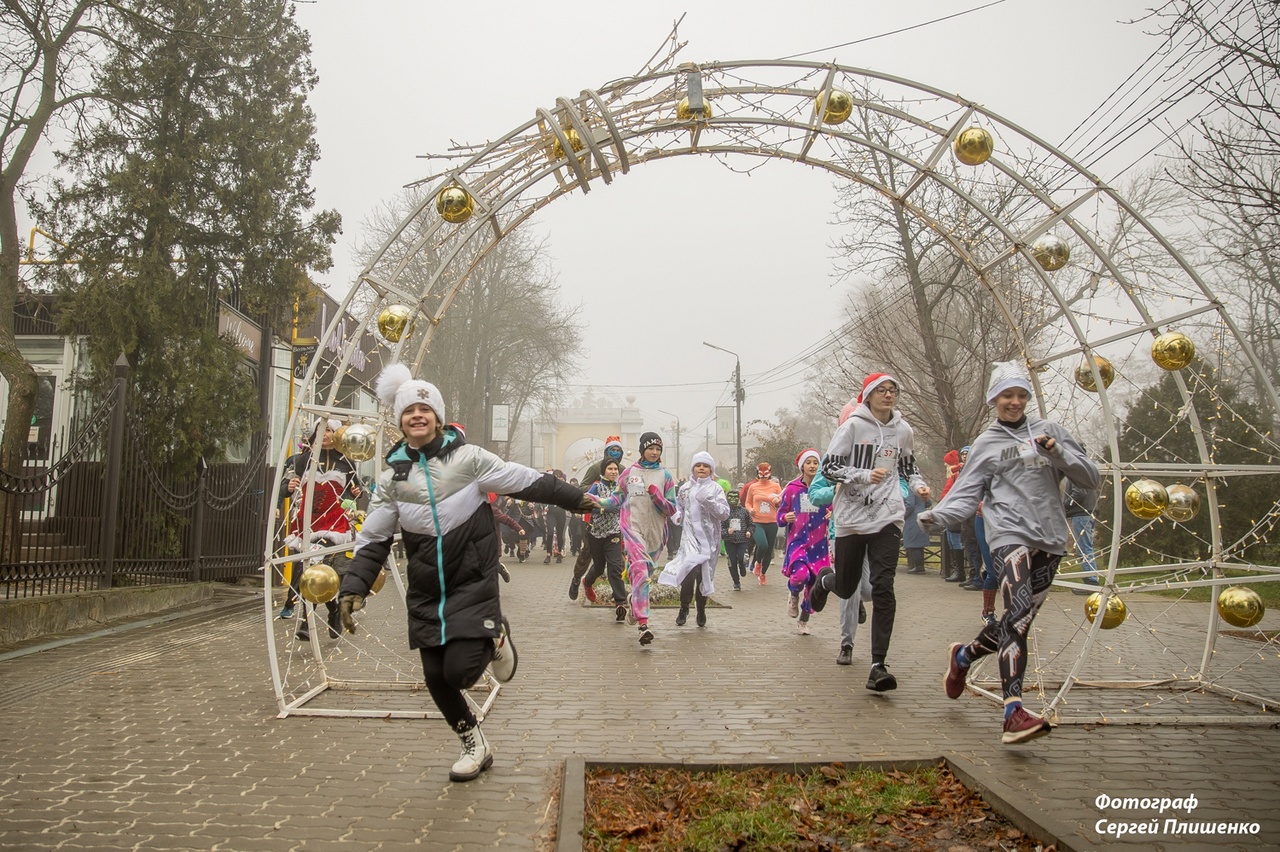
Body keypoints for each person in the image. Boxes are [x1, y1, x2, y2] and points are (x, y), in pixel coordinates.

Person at [334, 363, 595, 782]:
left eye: (424, 409)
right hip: (426, 589)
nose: (417, 416)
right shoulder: (392, 478)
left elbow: (524, 480)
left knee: (460, 671)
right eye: (408, 411)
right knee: (436, 677)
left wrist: (573, 498)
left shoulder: (469, 459)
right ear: (400, 421)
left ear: (438, 417)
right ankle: (474, 744)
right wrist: (354, 587)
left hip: (472, 579)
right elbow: (373, 539)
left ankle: (496, 636)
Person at [921, 361, 1100, 745]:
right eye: (1007, 395)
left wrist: (1058, 454)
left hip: (1049, 539)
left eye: (1021, 395)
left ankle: (963, 657)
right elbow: (966, 494)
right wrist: (936, 517)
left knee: (1017, 621)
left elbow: (1090, 478)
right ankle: (1013, 712)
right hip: (1007, 536)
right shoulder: (985, 444)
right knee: (1017, 612)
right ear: (994, 400)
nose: (1015, 402)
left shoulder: (1051, 432)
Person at [809, 373, 930, 692]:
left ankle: (878, 665)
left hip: (888, 516)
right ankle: (826, 580)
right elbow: (829, 468)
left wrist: (918, 485)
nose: (888, 395)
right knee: (847, 587)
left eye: (893, 390)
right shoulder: (852, 427)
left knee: (883, 587)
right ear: (867, 395)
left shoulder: (903, 430)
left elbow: (909, 466)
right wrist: (863, 475)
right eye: (881, 390)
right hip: (851, 518)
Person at [280, 418, 362, 641]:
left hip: (332, 524)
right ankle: (333, 610)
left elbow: (354, 490)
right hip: (306, 523)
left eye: (328, 430)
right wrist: (288, 487)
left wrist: (356, 493)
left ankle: (306, 623)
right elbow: (285, 488)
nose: (324, 434)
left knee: (314, 567)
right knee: (310, 570)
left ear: (336, 435)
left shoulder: (346, 462)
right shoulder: (302, 460)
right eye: (320, 430)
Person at [594, 432, 677, 646]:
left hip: (656, 533)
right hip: (633, 529)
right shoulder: (629, 473)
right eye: (650, 448)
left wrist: (658, 498)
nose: (654, 452)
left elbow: (671, 509)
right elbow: (615, 499)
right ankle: (643, 624)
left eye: (658, 449)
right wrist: (594, 500)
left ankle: (634, 600)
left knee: (644, 575)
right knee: (640, 570)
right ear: (642, 450)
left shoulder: (666, 476)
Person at [659, 452, 730, 628]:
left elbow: (724, 513)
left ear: (711, 469)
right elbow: (679, 507)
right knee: (689, 573)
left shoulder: (715, 489)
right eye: (698, 465)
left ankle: (701, 609)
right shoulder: (685, 489)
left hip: (709, 541)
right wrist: (677, 516)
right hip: (689, 539)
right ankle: (684, 608)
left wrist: (708, 501)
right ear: (693, 468)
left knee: (704, 576)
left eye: (705, 466)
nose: (701, 468)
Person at [777, 448, 831, 636]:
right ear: (802, 466)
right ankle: (793, 594)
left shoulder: (825, 488)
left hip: (819, 544)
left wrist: (832, 514)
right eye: (808, 463)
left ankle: (804, 620)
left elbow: (835, 507)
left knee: (814, 585)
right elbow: (780, 515)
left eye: (816, 462)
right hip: (798, 541)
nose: (812, 466)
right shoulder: (792, 489)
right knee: (800, 575)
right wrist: (785, 517)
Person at [568, 437, 625, 600]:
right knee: (587, 554)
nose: (615, 453)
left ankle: (618, 597)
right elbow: (582, 489)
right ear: (606, 451)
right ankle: (577, 579)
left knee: (617, 561)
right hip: (594, 523)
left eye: (618, 450)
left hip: (615, 525)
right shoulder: (596, 468)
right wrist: (600, 492)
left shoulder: (623, 470)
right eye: (612, 450)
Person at [581, 457, 627, 617]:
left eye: (615, 469)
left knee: (615, 566)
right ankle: (587, 582)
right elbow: (585, 505)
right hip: (596, 533)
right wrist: (603, 508)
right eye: (610, 469)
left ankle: (620, 603)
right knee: (599, 567)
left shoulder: (621, 488)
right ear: (603, 471)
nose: (613, 472)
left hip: (614, 533)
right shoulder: (596, 486)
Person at [741, 462, 783, 584]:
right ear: (757, 473)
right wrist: (750, 509)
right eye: (761, 473)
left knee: (769, 550)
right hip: (757, 521)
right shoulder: (753, 487)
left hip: (772, 521)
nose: (763, 475)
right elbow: (747, 502)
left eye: (766, 473)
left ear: (770, 473)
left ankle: (763, 574)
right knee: (762, 544)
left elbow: (782, 501)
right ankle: (758, 562)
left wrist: (778, 501)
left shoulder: (775, 486)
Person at [1064, 471, 1100, 592]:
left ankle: (1091, 581)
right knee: (1085, 548)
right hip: (1088, 513)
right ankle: (1091, 579)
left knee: (1084, 549)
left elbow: (1079, 493)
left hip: (1081, 515)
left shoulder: (1075, 473)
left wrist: (1066, 505)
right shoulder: (1086, 474)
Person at [721, 489, 754, 590]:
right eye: (730, 497)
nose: (733, 499)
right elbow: (719, 528)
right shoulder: (724, 512)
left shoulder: (744, 511)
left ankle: (742, 566)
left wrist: (749, 532)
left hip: (742, 540)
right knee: (732, 561)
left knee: (741, 558)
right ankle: (736, 582)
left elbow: (751, 525)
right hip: (729, 541)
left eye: (735, 497)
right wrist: (727, 531)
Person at [901, 480, 932, 575]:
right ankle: (919, 566)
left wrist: (901, 516)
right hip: (922, 515)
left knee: (914, 543)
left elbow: (910, 505)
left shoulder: (910, 488)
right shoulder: (921, 488)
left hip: (912, 518)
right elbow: (928, 503)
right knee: (919, 544)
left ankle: (918, 567)